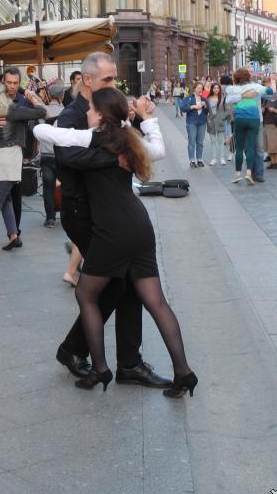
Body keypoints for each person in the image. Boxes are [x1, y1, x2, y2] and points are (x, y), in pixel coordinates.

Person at [34, 87, 196, 398]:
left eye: (90, 109)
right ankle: (184, 373)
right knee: (156, 301)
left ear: (100, 113)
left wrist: (79, 132)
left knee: (86, 295)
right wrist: (147, 120)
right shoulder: (128, 140)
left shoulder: (95, 137)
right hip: (139, 225)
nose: (86, 113)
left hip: (112, 231)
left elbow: (42, 131)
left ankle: (100, 368)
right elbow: (159, 149)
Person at [52, 52, 172, 390]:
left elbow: (136, 146)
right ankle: (83, 351)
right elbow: (69, 155)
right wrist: (113, 156)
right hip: (84, 213)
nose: (114, 86)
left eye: (115, 79)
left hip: (112, 212)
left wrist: (138, 120)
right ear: (87, 81)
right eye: (107, 80)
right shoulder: (73, 115)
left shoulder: (108, 109)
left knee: (129, 282)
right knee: (116, 284)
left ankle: (125, 361)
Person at [0, 82, 45, 249]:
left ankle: (12, 236)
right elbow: (41, 112)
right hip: (10, 156)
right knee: (1, 197)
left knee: (3, 197)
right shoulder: (14, 108)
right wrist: (32, 97)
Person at [0, 67, 35, 234]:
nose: (11, 86)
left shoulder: (23, 100)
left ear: (19, 83)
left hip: (13, 153)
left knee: (14, 193)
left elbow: (42, 115)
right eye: (8, 82)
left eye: (15, 83)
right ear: (3, 82)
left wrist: (34, 98)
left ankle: (14, 232)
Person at [225, 68, 270, 185]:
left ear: (235, 78)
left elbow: (227, 100)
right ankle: (249, 173)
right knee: (251, 147)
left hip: (240, 119)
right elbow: (270, 92)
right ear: (248, 77)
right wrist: (247, 95)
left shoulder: (233, 88)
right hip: (255, 118)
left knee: (240, 148)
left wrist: (240, 95)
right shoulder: (255, 86)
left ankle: (238, 174)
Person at [39, 84, 66, 227]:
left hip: (46, 155)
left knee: (48, 187)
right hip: (61, 155)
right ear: (62, 96)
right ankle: (65, 214)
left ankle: (50, 218)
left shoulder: (43, 110)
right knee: (65, 185)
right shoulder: (66, 111)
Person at [182, 83, 208, 167]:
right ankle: (192, 160)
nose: (200, 90)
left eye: (201, 88)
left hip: (202, 122)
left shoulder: (203, 99)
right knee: (192, 142)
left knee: (200, 142)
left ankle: (199, 159)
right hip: (191, 122)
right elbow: (183, 108)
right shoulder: (188, 98)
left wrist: (204, 106)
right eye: (198, 88)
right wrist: (192, 107)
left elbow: (207, 111)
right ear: (194, 89)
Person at [262, 85, 277, 169]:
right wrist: (263, 109)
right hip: (268, 123)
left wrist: (274, 110)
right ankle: (272, 162)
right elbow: (263, 110)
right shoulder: (266, 99)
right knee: (270, 144)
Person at [206, 83, 228, 165]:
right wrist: (207, 119)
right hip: (211, 122)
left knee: (220, 141)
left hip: (220, 122)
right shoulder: (208, 99)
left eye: (217, 88)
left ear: (220, 89)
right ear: (212, 89)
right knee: (213, 141)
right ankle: (214, 158)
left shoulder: (223, 99)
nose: (216, 89)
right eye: (214, 88)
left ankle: (222, 158)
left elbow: (227, 110)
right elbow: (206, 111)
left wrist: (223, 117)